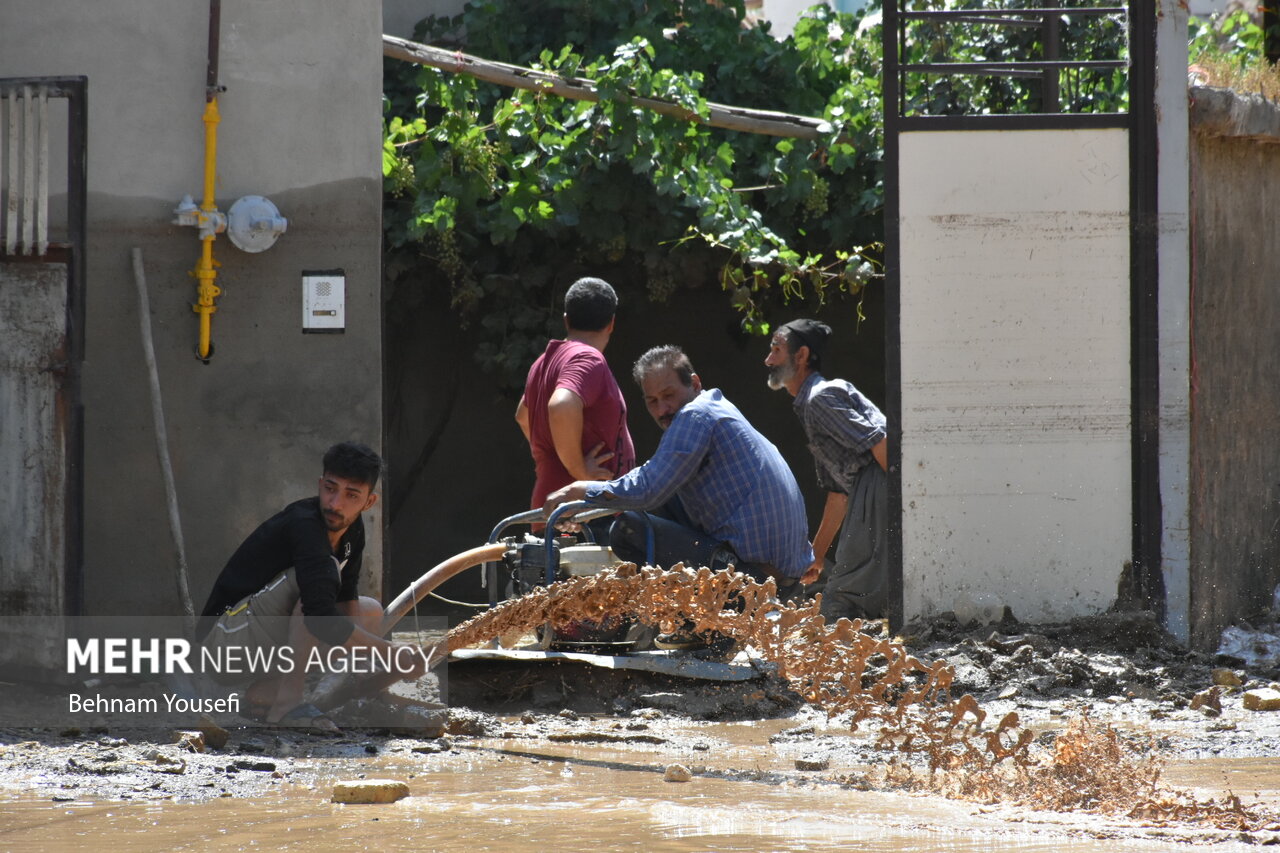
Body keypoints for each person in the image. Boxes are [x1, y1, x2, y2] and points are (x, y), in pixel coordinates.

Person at [544, 345, 813, 648]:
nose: (662, 409)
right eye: (652, 401)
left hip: (755, 585)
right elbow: (654, 478)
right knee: (656, 505)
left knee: (629, 530)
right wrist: (588, 511)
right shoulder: (717, 409)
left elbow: (646, 488)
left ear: (695, 384)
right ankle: (704, 616)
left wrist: (580, 490)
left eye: (669, 395)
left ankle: (712, 623)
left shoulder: (696, 415)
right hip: (785, 585)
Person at [196, 441, 427, 732]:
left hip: (260, 639)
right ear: (320, 484)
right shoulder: (305, 525)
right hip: (223, 643)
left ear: (369, 502)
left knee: (369, 612)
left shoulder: (352, 530)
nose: (335, 503)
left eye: (351, 495)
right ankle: (287, 704)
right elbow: (319, 617)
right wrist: (391, 652)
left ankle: (265, 696)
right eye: (330, 488)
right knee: (317, 590)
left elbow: (346, 603)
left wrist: (358, 668)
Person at [765, 318, 888, 622]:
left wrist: (907, 504)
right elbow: (838, 494)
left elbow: (880, 443)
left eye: (776, 350)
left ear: (802, 356)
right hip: (867, 493)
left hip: (879, 489)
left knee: (845, 599)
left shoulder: (820, 399)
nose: (768, 360)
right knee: (853, 592)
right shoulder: (812, 404)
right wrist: (817, 557)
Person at [515, 277, 636, 512]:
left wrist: (553, 459)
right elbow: (561, 405)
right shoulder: (586, 358)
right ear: (612, 323)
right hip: (582, 514)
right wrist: (578, 471)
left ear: (566, 320)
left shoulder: (543, 363)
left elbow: (522, 415)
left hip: (558, 506)